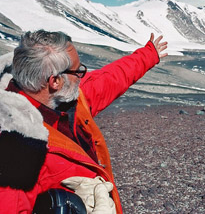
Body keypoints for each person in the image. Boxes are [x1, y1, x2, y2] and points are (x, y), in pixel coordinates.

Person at [0, 30, 168, 213]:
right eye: (77, 71)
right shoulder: (14, 150)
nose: (82, 76)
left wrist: (149, 55)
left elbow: (109, 79)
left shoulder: (65, 100)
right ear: (55, 81)